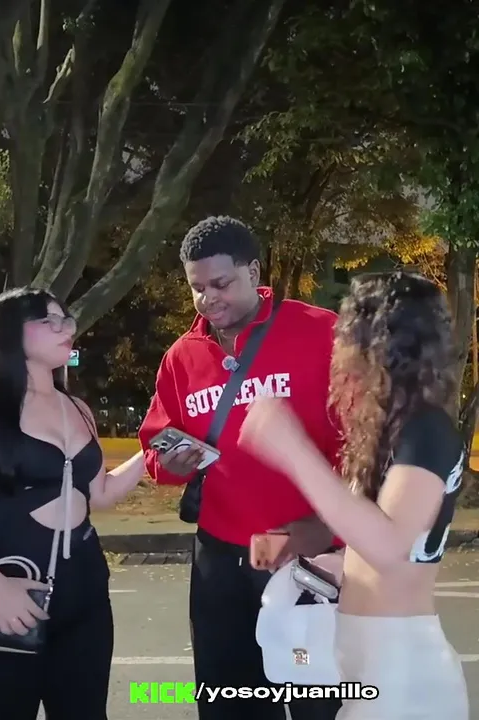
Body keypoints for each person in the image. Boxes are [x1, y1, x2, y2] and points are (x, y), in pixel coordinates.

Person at [238, 271, 472, 719]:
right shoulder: (400, 429)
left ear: (375, 344)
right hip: (375, 667)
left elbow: (389, 544)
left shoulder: (427, 430)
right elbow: (386, 546)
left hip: (402, 676)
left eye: (346, 335)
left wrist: (291, 449)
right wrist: (325, 557)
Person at [138, 216, 343, 720]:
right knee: (230, 696)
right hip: (222, 557)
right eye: (197, 288)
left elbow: (367, 441)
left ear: (253, 272)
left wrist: (332, 529)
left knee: (316, 696)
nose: (208, 298)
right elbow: (155, 447)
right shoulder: (181, 359)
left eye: (221, 283)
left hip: (307, 551)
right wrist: (171, 463)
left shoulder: (321, 332)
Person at [0, 287, 147, 720]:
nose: (66, 328)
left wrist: (152, 454)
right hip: (10, 589)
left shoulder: (77, 408)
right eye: (50, 320)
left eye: (67, 319)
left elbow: (99, 493)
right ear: (11, 331)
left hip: (85, 592)